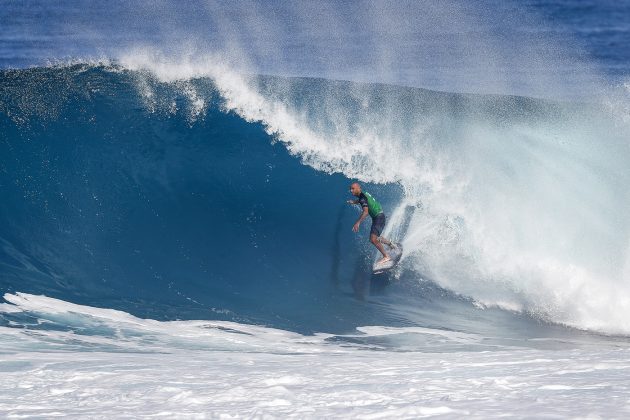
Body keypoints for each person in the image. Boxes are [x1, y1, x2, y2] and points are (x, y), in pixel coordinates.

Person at [347, 182, 394, 264]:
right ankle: (390, 244)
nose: (351, 191)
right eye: (350, 189)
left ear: (359, 188)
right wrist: (354, 202)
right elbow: (362, 200)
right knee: (375, 237)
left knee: (373, 239)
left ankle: (386, 256)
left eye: (353, 189)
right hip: (379, 216)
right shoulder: (363, 194)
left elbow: (365, 212)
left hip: (378, 217)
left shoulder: (362, 198)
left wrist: (357, 223)